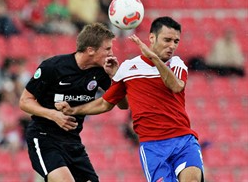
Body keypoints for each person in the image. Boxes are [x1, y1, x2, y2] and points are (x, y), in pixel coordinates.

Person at [56, 17, 204, 182]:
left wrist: (154, 58)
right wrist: (75, 110)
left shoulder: (176, 64)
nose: (172, 46)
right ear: (152, 38)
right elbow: (111, 103)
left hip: (183, 140)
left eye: (176, 41)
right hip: (152, 146)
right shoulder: (128, 68)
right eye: (167, 40)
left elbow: (175, 86)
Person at [19, 22, 128, 182]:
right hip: (43, 137)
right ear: (90, 50)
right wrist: (53, 115)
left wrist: (115, 76)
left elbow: (123, 105)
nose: (111, 53)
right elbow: (24, 101)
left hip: (72, 141)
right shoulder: (53, 67)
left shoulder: (101, 72)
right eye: (107, 49)